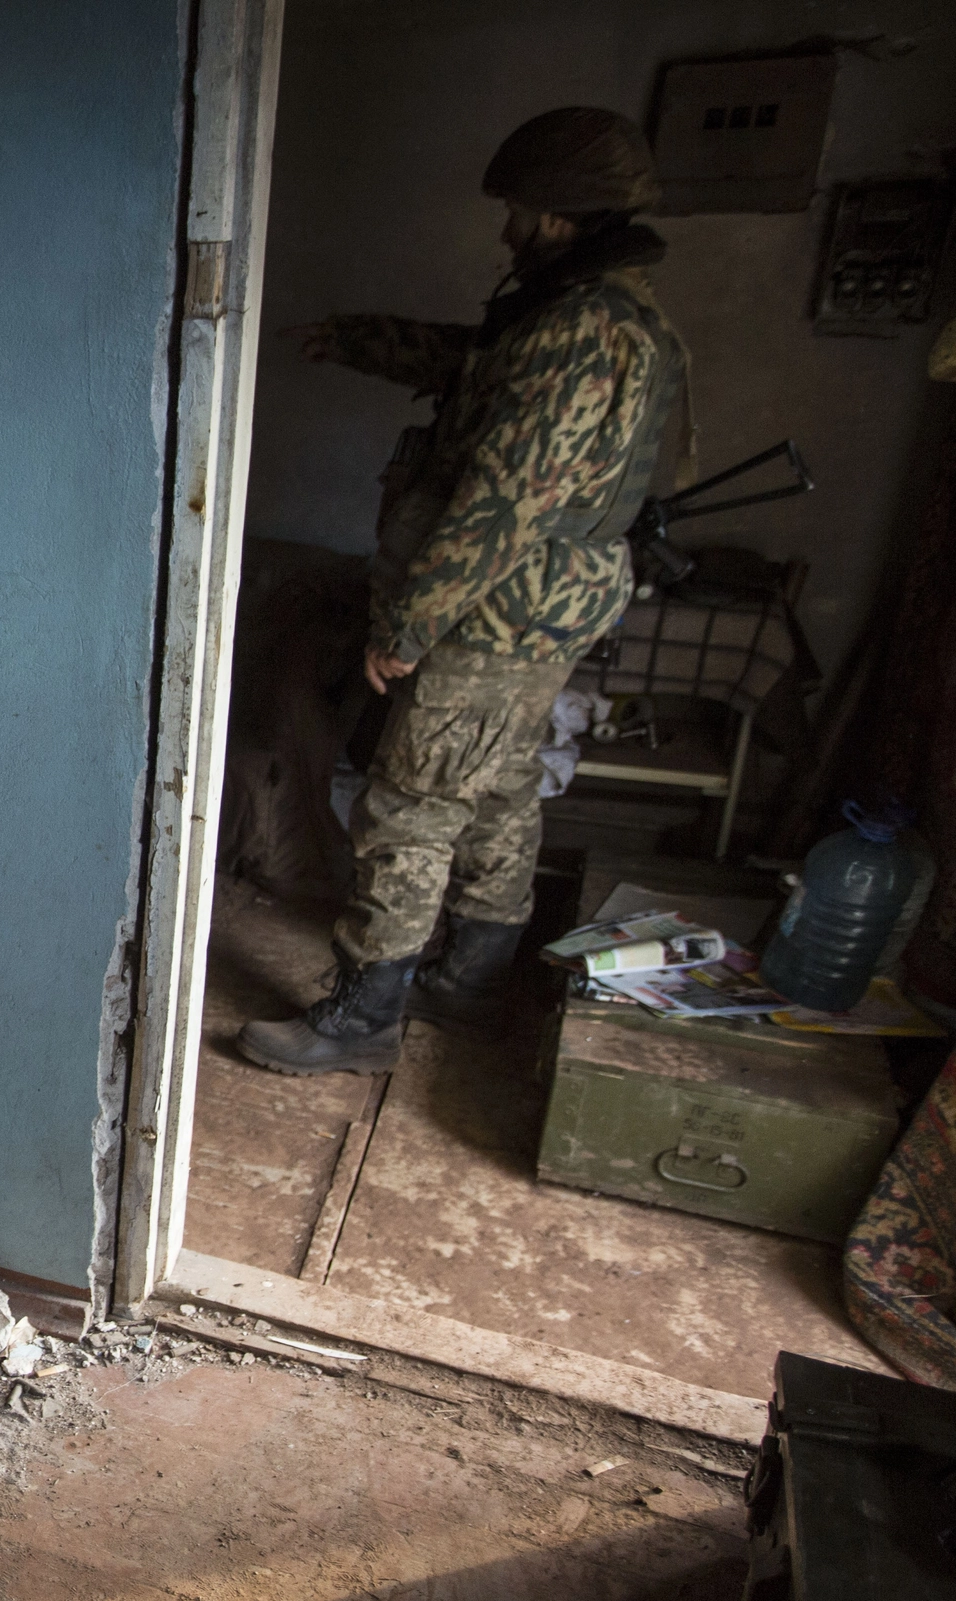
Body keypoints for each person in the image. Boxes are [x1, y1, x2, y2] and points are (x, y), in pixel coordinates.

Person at [239, 107, 688, 1076]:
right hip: (542, 609)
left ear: (564, 216)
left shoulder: (579, 334)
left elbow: (501, 503)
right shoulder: (600, 319)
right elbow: (474, 368)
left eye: (521, 211)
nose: (507, 231)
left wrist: (408, 624)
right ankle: (470, 982)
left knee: (410, 803)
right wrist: (355, 339)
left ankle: (361, 1018)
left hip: (497, 611)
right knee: (495, 790)